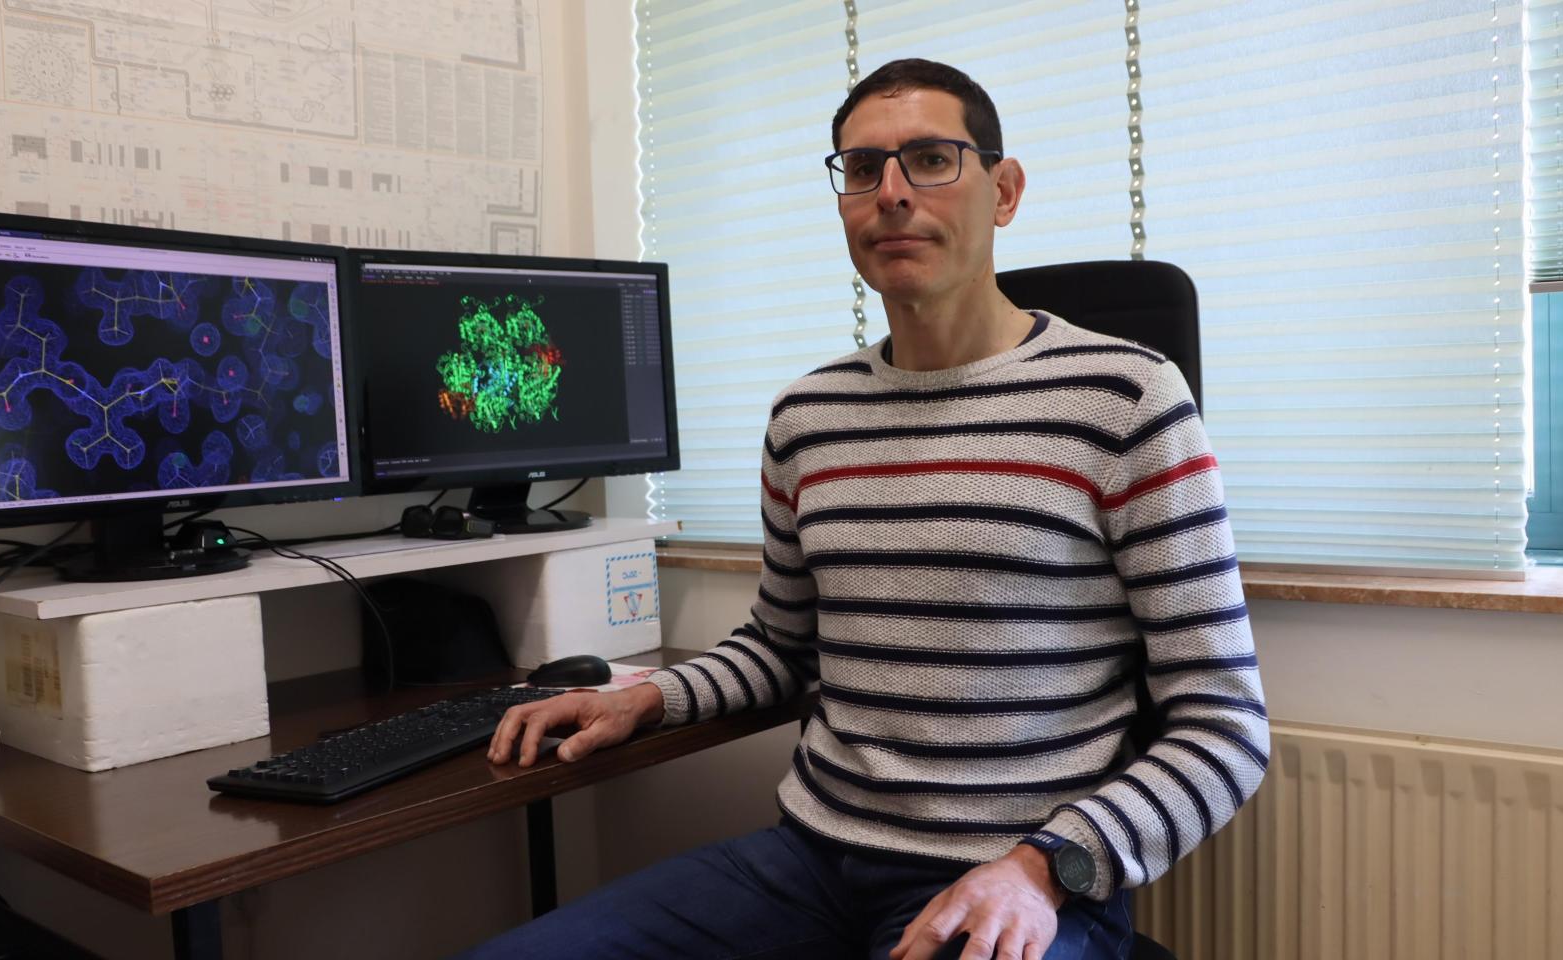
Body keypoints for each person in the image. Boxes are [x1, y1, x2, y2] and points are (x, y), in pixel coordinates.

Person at [462, 58, 1267, 960]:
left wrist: (1044, 870)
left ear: (1003, 192)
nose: (891, 194)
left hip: (1015, 878)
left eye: (931, 159)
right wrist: (648, 698)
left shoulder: (1126, 397)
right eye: (862, 169)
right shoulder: (808, 415)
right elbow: (781, 646)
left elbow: (1222, 725)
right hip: (808, 863)